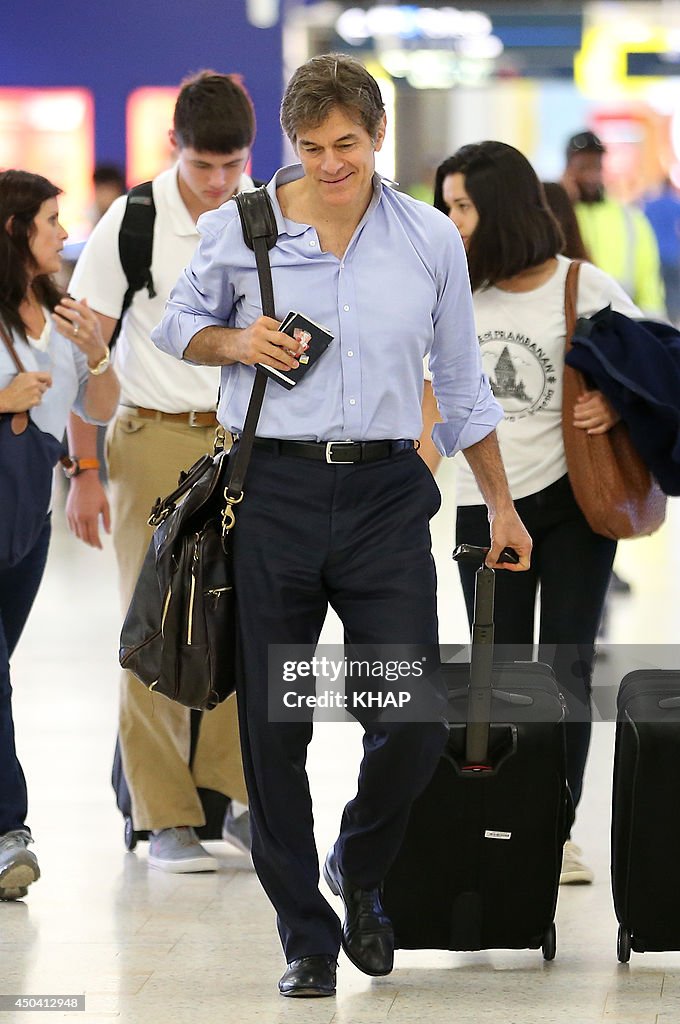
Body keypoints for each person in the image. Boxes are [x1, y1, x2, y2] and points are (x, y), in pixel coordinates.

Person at [153, 53, 531, 997]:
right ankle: (306, 936)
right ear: (293, 144)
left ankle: (357, 865)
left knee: (406, 716)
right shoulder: (241, 229)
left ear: (378, 137)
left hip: (386, 496)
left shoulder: (429, 239)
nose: (330, 165)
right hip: (272, 495)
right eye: (313, 148)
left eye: (348, 146)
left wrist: (502, 505)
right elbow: (176, 327)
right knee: (274, 731)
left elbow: (463, 383)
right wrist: (236, 341)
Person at [432, 141, 642, 886]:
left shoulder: (585, 286)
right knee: (500, 675)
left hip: (575, 505)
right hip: (484, 508)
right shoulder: (452, 290)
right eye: (447, 205)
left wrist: (617, 398)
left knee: (566, 669)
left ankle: (555, 828)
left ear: (505, 207)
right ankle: (502, 823)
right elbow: (431, 399)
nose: (452, 221)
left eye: (463, 205)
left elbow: (661, 366)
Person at [66, 71, 257, 873]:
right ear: (173, 146)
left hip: (244, 443)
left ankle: (237, 797)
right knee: (154, 624)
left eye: (232, 165)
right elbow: (85, 350)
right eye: (203, 165)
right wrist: (80, 468)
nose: (217, 184)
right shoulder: (132, 222)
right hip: (151, 438)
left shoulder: (264, 214)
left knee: (244, 621)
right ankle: (162, 816)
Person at [0, 170, 119, 899]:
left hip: (25, 520)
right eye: (49, 219)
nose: (61, 231)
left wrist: (99, 352)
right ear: (15, 229)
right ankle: (11, 829)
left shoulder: (62, 312)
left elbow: (100, 406)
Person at [561, 130, 665, 316]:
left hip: (624, 321)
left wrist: (654, 324)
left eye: (596, 167)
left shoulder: (629, 217)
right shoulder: (561, 217)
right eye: (583, 167)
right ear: (568, 169)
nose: (591, 176)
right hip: (573, 322)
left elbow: (649, 279)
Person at [643, 176, 680, 326]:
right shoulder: (675, 204)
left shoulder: (650, 205)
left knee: (660, 289)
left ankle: (665, 320)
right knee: (674, 290)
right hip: (673, 254)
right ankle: (675, 321)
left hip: (655, 254)